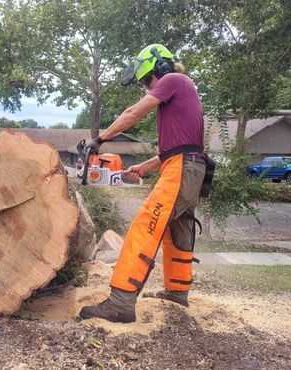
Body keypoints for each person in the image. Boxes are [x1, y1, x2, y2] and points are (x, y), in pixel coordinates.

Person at [79, 44, 207, 323]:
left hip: (182, 168)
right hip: (188, 165)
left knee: (145, 225)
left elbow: (132, 113)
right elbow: (177, 148)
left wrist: (100, 140)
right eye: (144, 83)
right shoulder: (183, 90)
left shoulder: (174, 79)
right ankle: (177, 292)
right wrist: (145, 166)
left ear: (160, 67)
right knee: (178, 228)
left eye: (147, 80)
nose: (147, 87)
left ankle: (121, 302)